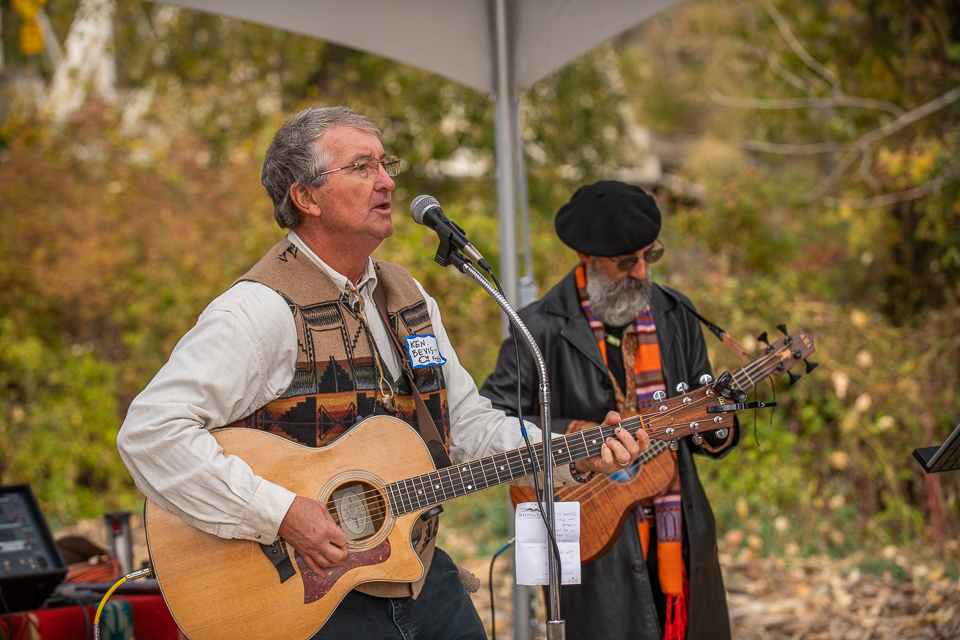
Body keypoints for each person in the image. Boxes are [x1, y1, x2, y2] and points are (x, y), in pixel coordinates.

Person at [117, 108, 648, 640]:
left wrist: (572, 454)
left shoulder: (408, 299)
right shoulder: (259, 311)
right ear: (306, 197)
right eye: (361, 167)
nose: (388, 181)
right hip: (309, 600)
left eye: (384, 163)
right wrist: (281, 514)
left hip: (415, 576)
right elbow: (151, 431)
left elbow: (466, 426)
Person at [480, 180, 739, 640]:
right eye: (625, 262)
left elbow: (704, 426)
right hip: (589, 527)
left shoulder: (677, 314)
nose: (641, 271)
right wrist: (579, 439)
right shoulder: (538, 327)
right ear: (587, 257)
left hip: (678, 525)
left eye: (648, 255)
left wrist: (719, 425)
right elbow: (495, 420)